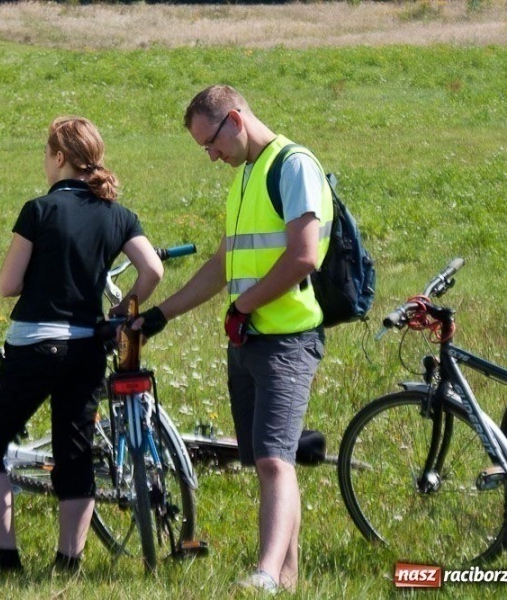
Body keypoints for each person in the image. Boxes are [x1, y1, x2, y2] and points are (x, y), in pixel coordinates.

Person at [134, 84, 330, 593]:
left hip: (286, 338)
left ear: (236, 120)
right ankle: (287, 577)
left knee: (272, 459)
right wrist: (161, 315)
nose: (211, 155)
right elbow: (223, 264)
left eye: (212, 143)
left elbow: (305, 255)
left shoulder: (293, 166)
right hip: (248, 339)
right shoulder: (245, 176)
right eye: (204, 148)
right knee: (270, 459)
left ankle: (265, 573)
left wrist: (246, 305)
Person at [0, 116, 163, 573]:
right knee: (73, 453)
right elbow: (153, 271)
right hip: (88, 347)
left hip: (35, 345)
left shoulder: (40, 210)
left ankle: (4, 555)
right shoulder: (119, 214)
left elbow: (8, 285)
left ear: (58, 158)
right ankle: (67, 562)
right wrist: (123, 309)